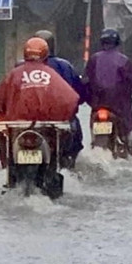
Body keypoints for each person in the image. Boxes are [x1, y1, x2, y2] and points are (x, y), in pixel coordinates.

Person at [0, 38, 80, 164]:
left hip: (18, 126)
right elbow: (71, 99)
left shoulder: (14, 74)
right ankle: (58, 163)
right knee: (63, 140)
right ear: (45, 54)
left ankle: (6, 165)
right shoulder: (51, 75)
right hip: (46, 126)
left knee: (1, 136)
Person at [84, 29, 132, 155]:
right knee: (127, 122)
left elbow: (86, 79)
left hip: (98, 104)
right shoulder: (124, 60)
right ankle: (128, 143)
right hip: (118, 106)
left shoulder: (94, 59)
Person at [33, 29, 87, 165]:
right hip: (60, 119)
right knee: (74, 140)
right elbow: (78, 94)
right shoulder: (64, 66)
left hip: (27, 121)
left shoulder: (21, 67)